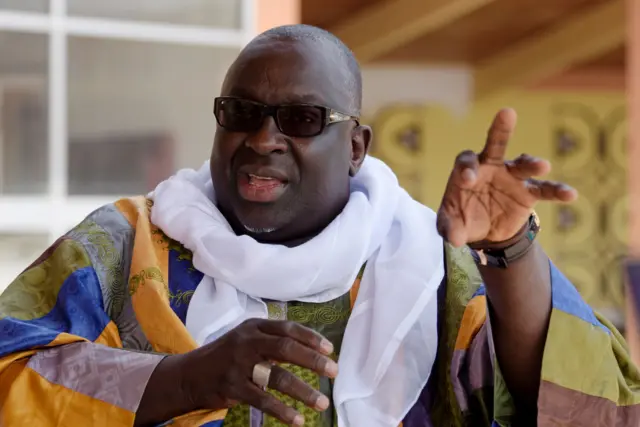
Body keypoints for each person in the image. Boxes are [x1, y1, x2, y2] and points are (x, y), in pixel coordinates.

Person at [0, 24, 638, 427]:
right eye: (241, 112)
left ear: (357, 146)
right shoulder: (125, 242)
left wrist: (511, 249)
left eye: (301, 119)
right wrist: (184, 380)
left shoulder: (431, 263)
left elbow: (588, 408)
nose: (262, 138)